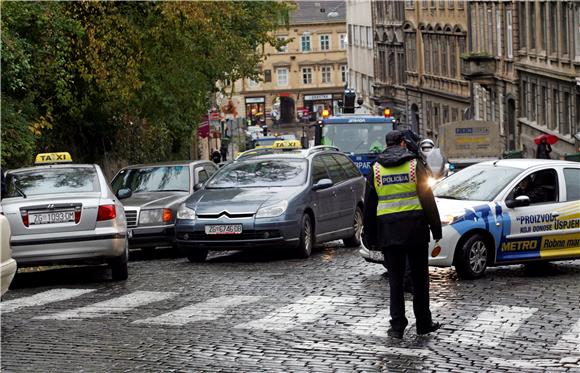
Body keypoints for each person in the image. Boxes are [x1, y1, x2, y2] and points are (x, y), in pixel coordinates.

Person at [362, 130, 443, 339]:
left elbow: (370, 206)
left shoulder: (376, 169)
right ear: (402, 143)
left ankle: (397, 326)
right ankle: (423, 323)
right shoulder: (415, 165)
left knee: (396, 282)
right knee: (420, 280)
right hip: (415, 231)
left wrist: (369, 235)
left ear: (387, 144)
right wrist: (436, 229)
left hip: (389, 233)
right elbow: (427, 199)